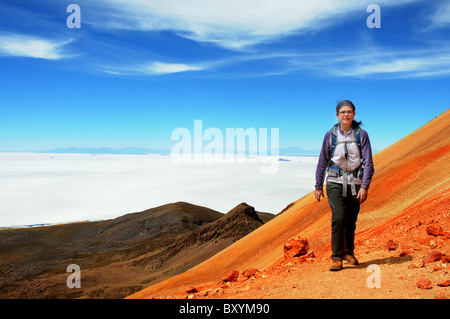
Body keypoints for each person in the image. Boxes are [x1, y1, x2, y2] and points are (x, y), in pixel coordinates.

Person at [314, 100, 375, 271]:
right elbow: (322, 161)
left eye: (349, 111)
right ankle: (336, 256)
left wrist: (365, 186)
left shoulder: (361, 135)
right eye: (342, 112)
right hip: (335, 182)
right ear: (337, 115)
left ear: (354, 114)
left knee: (351, 219)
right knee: (339, 217)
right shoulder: (330, 135)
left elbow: (368, 162)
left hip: (355, 183)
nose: (346, 114)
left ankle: (349, 252)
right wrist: (318, 185)